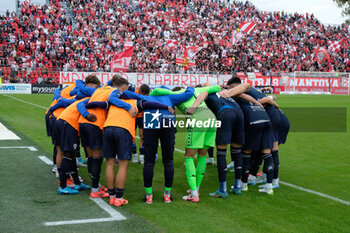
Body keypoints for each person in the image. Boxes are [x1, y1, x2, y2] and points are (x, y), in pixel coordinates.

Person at [121, 86, 195, 204]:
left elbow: (124, 94)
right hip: (167, 122)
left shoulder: (146, 97)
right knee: (168, 160)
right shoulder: (170, 96)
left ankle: (149, 196)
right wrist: (190, 87)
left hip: (150, 123)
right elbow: (189, 94)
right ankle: (167, 195)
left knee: (149, 161)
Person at [151, 83, 221, 203]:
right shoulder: (197, 90)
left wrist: (155, 94)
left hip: (198, 118)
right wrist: (204, 86)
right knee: (202, 155)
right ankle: (196, 189)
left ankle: (194, 195)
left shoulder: (175, 94)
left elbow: (156, 91)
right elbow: (217, 88)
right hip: (211, 117)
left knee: (188, 157)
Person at [102, 93, 174, 206]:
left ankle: (113, 196)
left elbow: (93, 103)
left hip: (107, 129)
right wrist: (167, 107)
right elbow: (151, 103)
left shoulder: (112, 101)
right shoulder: (136, 102)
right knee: (123, 165)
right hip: (124, 130)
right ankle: (166, 195)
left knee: (110, 164)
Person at [77, 77, 135, 198]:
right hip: (95, 123)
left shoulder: (98, 90)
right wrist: (128, 106)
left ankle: (96, 185)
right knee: (97, 156)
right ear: (123, 87)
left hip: (83, 122)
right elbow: (113, 98)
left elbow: (80, 96)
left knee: (91, 156)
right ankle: (95, 189)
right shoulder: (114, 91)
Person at [225, 78, 276, 195]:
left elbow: (241, 95)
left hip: (254, 121)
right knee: (267, 153)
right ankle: (269, 186)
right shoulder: (251, 94)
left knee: (246, 153)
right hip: (266, 120)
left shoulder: (237, 94)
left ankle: (243, 185)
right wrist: (258, 103)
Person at [51, 76, 101, 194]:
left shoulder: (82, 97)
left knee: (71, 154)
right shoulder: (90, 98)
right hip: (68, 124)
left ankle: (77, 183)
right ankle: (63, 186)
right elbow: (78, 105)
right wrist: (87, 115)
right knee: (68, 154)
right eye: (96, 86)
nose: (97, 88)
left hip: (63, 121)